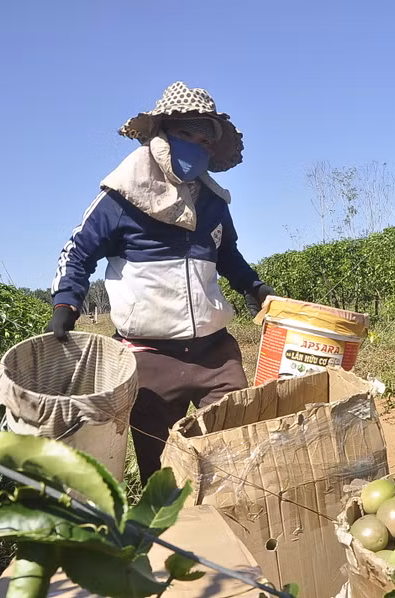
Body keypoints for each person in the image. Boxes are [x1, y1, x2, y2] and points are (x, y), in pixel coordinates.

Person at [48, 81, 275, 484]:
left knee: (235, 449)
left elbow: (228, 256)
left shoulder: (212, 203)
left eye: (205, 140)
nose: (196, 145)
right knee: (161, 471)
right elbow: (78, 252)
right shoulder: (120, 197)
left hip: (214, 353)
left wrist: (253, 287)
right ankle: (170, 535)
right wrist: (66, 304)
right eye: (187, 134)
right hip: (148, 357)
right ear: (162, 135)